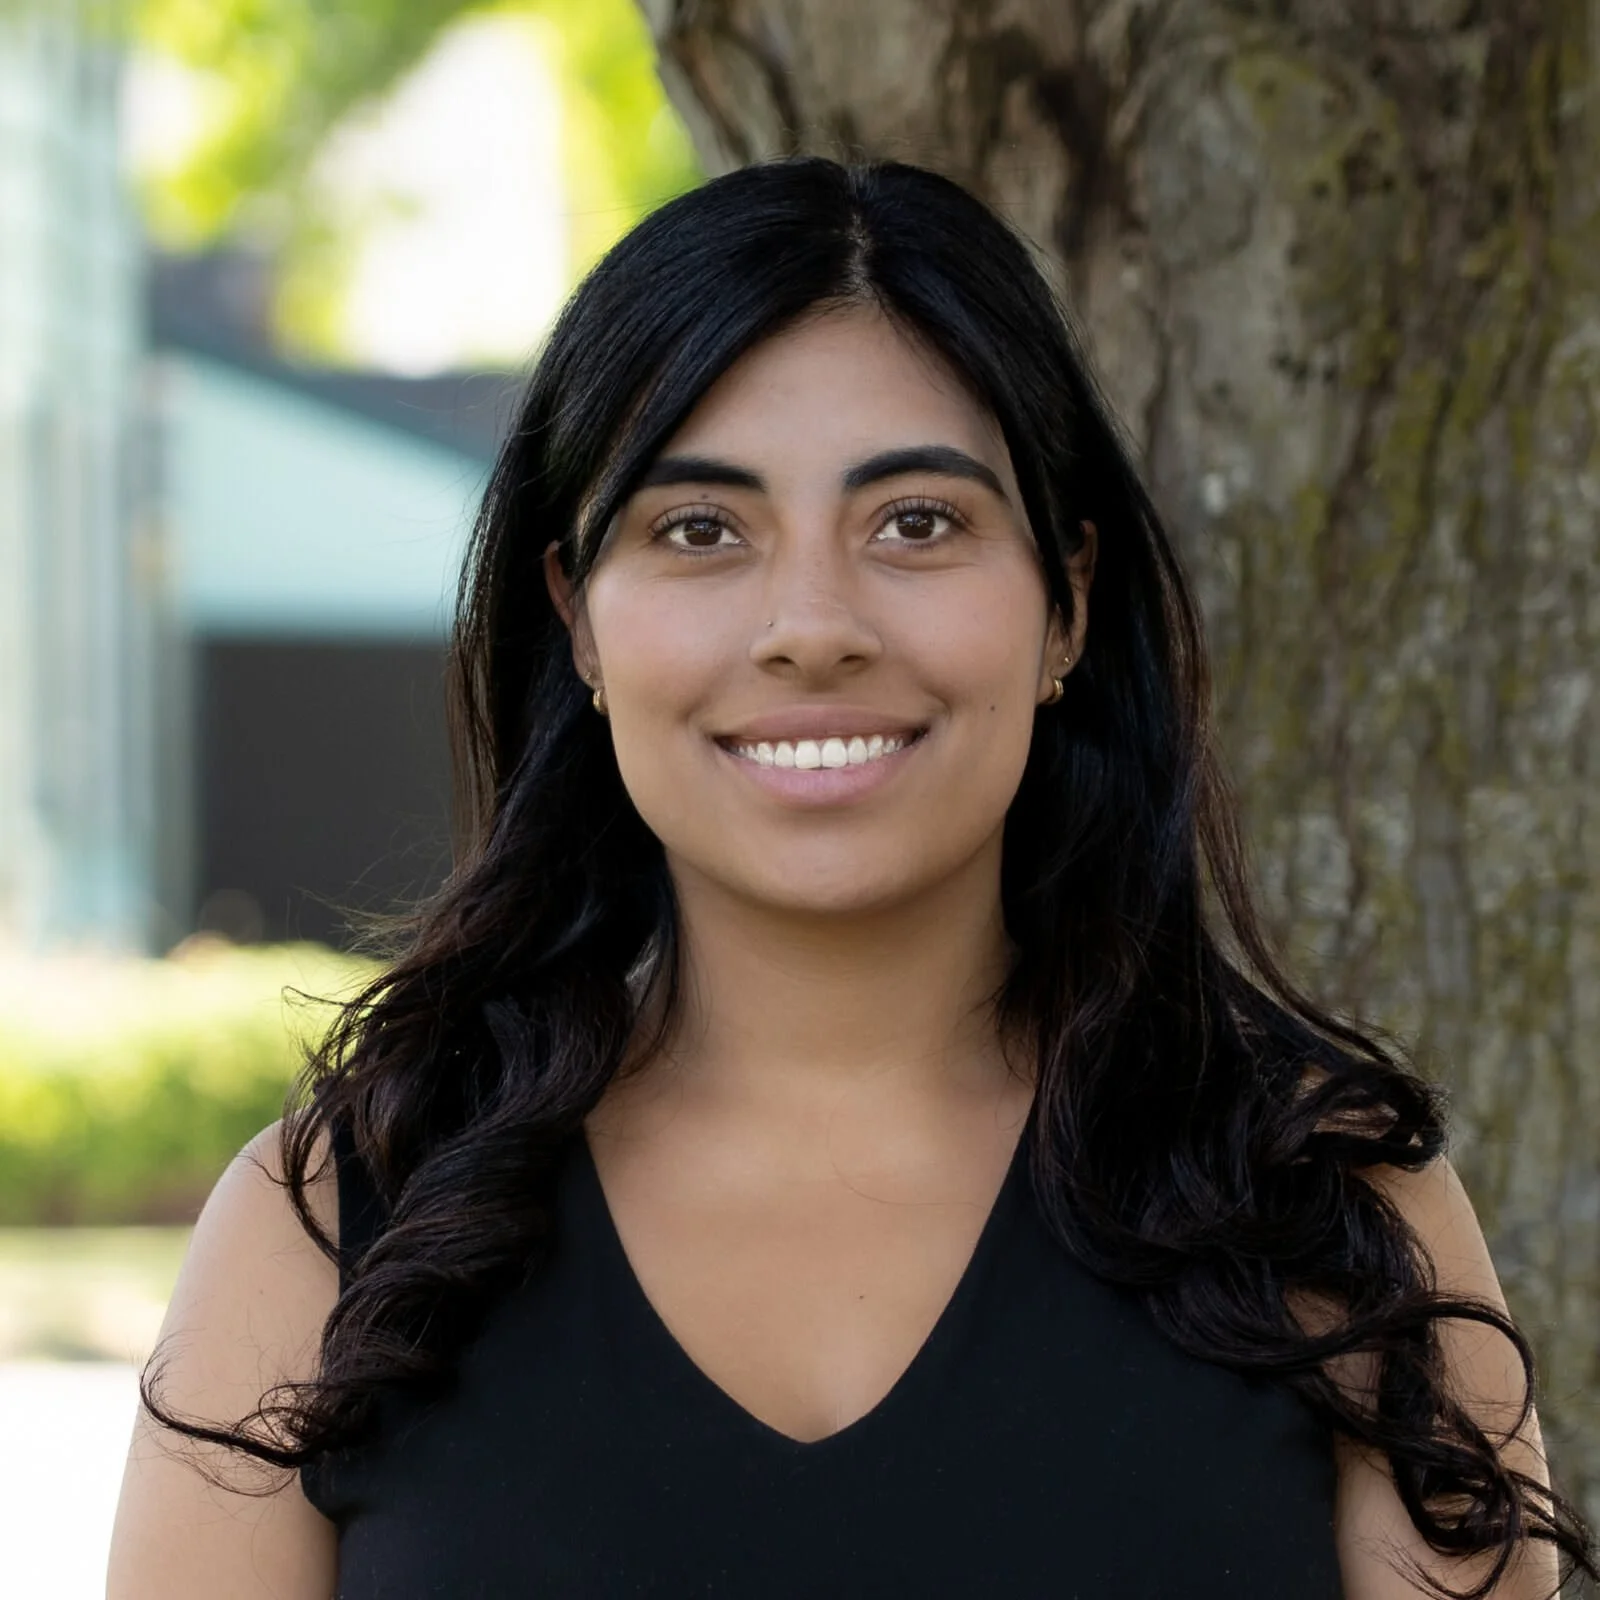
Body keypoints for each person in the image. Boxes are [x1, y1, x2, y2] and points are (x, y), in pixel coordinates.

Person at [108, 157, 1593, 1599]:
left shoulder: (1323, 1205)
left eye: (917, 522)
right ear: (578, 619)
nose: (811, 626)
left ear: (1068, 602)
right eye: (699, 530)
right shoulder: (332, 1228)